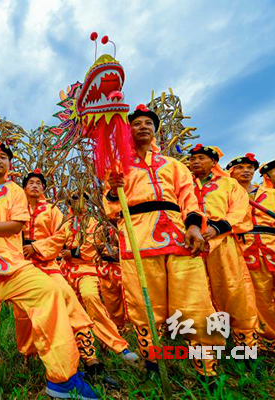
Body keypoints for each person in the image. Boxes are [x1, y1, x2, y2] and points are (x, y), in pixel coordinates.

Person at [0, 142, 101, 399]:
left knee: (50, 292)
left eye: (4, 157)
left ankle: (62, 379)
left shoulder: (15, 191)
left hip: (11, 266)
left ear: (10, 164)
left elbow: (16, 226)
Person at [104, 105, 225, 382]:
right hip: (137, 240)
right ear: (129, 131)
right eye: (136, 124)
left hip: (180, 238)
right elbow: (112, 211)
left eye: (148, 123)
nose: (143, 127)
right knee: (146, 307)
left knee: (195, 303)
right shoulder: (118, 167)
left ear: (155, 129)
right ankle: (154, 368)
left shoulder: (174, 166)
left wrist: (194, 226)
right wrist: (113, 189)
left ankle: (207, 371)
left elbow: (189, 199)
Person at [13, 169, 123, 388]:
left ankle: (91, 361)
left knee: (71, 305)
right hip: (22, 267)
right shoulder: (14, 209)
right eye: (30, 183)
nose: (35, 186)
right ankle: (29, 358)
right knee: (23, 314)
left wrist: (36, 247)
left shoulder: (53, 211)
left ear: (44, 189)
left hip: (49, 266)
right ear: (23, 188)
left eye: (39, 183)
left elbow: (61, 236)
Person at [188, 145, 259, 350]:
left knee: (235, 291)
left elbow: (240, 211)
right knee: (199, 293)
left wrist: (219, 228)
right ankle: (209, 346)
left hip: (223, 243)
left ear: (213, 163)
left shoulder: (229, 184)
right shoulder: (184, 185)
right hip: (192, 246)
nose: (195, 162)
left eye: (201, 158)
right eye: (192, 159)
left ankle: (246, 347)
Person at [228, 155, 275, 354]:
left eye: (250, 167)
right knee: (262, 303)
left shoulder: (272, 195)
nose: (246, 171)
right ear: (230, 172)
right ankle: (271, 345)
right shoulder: (227, 195)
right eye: (240, 167)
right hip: (246, 252)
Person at [61, 192, 137, 361]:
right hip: (65, 272)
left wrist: (72, 252)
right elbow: (55, 242)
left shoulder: (94, 223)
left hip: (86, 269)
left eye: (83, 199)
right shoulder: (64, 223)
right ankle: (78, 354)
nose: (80, 202)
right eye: (75, 199)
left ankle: (118, 346)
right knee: (67, 311)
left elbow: (92, 248)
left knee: (91, 298)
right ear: (69, 203)